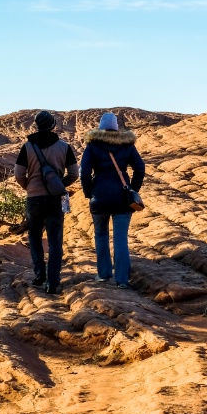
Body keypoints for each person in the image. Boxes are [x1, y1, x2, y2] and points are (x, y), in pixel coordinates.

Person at [14, 110, 79, 294]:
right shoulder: (64, 147)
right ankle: (52, 281)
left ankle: (39, 274)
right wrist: (59, 185)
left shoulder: (27, 147)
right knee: (55, 241)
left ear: (37, 126)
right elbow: (74, 173)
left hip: (33, 198)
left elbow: (18, 174)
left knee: (34, 236)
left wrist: (29, 187)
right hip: (54, 199)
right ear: (53, 126)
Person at [80, 112, 145, 289]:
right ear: (116, 127)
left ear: (101, 127)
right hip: (122, 197)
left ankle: (103, 274)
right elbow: (140, 168)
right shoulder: (127, 144)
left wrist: (88, 192)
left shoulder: (93, 145)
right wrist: (133, 189)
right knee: (121, 238)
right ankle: (122, 279)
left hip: (99, 196)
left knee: (101, 235)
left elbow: (84, 172)